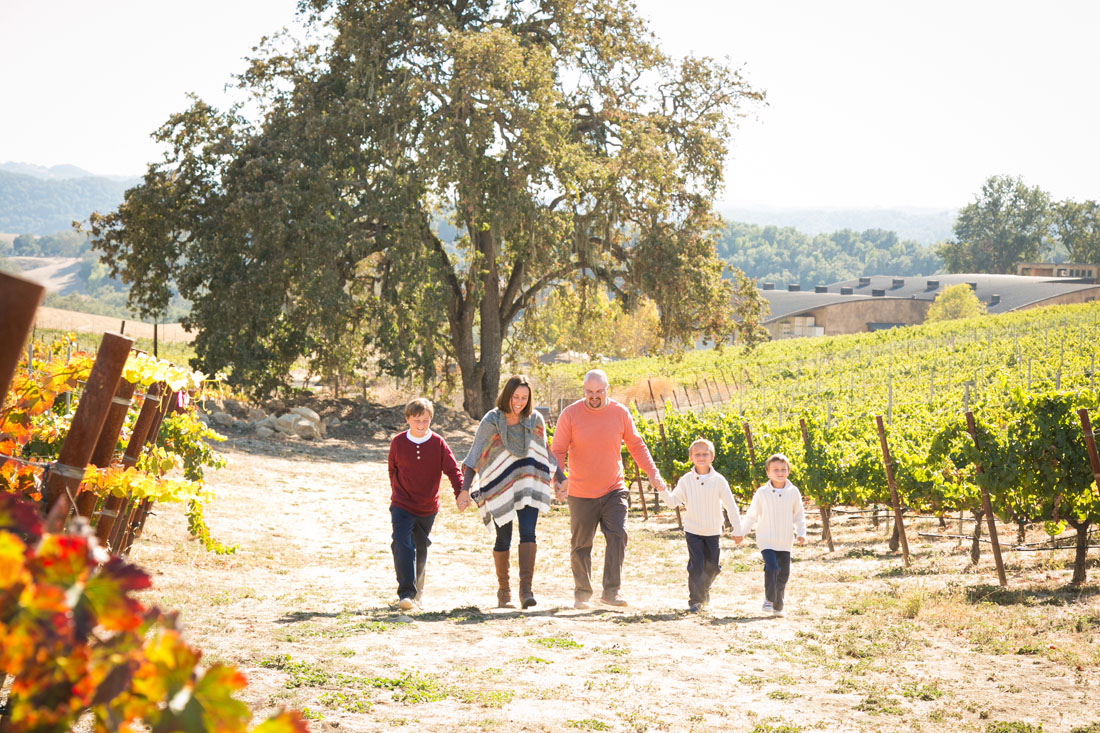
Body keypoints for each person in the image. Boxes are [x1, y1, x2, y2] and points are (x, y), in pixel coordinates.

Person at [551, 369, 667, 609]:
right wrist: (559, 479)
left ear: (607, 389)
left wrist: (653, 473)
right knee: (581, 545)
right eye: (589, 392)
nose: (594, 396)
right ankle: (582, 593)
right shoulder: (570, 414)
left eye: (599, 392)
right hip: (581, 492)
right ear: (584, 390)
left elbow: (636, 445)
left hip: (614, 488)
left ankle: (611, 591)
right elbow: (558, 451)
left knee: (617, 535)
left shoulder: (619, 412)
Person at [459, 375, 552, 609]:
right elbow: (473, 457)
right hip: (500, 488)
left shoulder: (534, 420)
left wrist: (560, 479)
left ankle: (526, 590)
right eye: (515, 397)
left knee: (529, 532)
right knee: (504, 537)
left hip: (528, 485)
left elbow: (545, 452)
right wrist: (464, 490)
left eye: (524, 397)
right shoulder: (492, 420)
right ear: (506, 395)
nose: (519, 402)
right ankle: (504, 590)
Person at [387, 397, 463, 611]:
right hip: (401, 503)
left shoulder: (438, 443)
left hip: (428, 506)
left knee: (420, 547)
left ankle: (418, 594)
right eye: (417, 420)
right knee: (401, 542)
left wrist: (460, 493)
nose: (421, 425)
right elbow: (393, 469)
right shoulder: (398, 442)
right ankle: (406, 594)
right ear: (408, 419)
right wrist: (398, 491)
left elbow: (453, 470)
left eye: (426, 420)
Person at [657, 438, 743, 613]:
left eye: (705, 454)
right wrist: (662, 490)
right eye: (697, 454)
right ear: (691, 457)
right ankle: (695, 601)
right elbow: (673, 502)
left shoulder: (719, 480)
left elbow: (731, 505)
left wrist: (738, 528)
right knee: (696, 566)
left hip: (712, 531)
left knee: (713, 567)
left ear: (712, 457)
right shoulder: (686, 480)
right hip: (693, 530)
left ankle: (704, 590)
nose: (701, 457)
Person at [734, 453, 806, 618]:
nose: (780, 472)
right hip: (766, 539)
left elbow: (799, 515)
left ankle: (778, 606)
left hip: (785, 540)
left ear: (788, 471)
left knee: (783, 574)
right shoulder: (762, 493)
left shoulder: (793, 492)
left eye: (783, 469)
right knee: (772, 567)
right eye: (775, 470)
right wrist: (741, 533)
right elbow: (752, 515)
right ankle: (769, 599)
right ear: (767, 472)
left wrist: (801, 533)